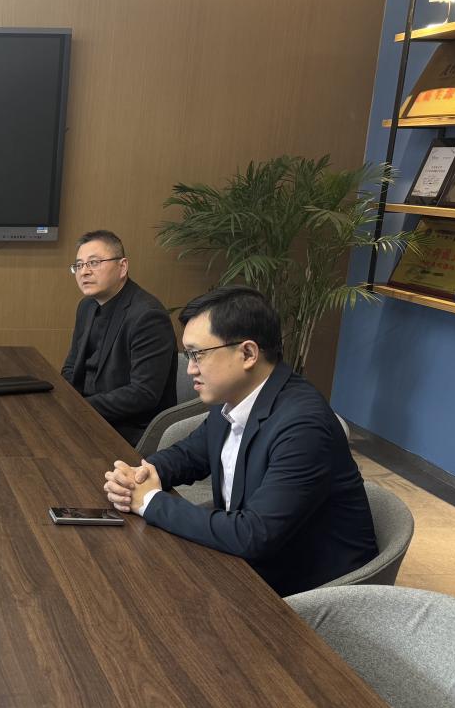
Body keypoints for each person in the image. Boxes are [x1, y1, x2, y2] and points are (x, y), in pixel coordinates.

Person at [103, 286, 376, 597]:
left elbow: (253, 535)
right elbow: (191, 454)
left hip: (307, 593)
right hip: (249, 565)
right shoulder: (236, 397)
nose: (190, 368)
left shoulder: (304, 426)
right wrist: (145, 473)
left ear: (248, 353)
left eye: (197, 354)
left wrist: (149, 501)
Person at [61, 230, 177, 446]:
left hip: (127, 428)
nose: (84, 272)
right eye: (79, 265)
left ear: (122, 267)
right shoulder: (86, 306)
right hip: (87, 415)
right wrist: (64, 403)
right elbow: (71, 367)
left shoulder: (148, 315)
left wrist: (81, 409)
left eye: (94, 263)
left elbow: (143, 393)